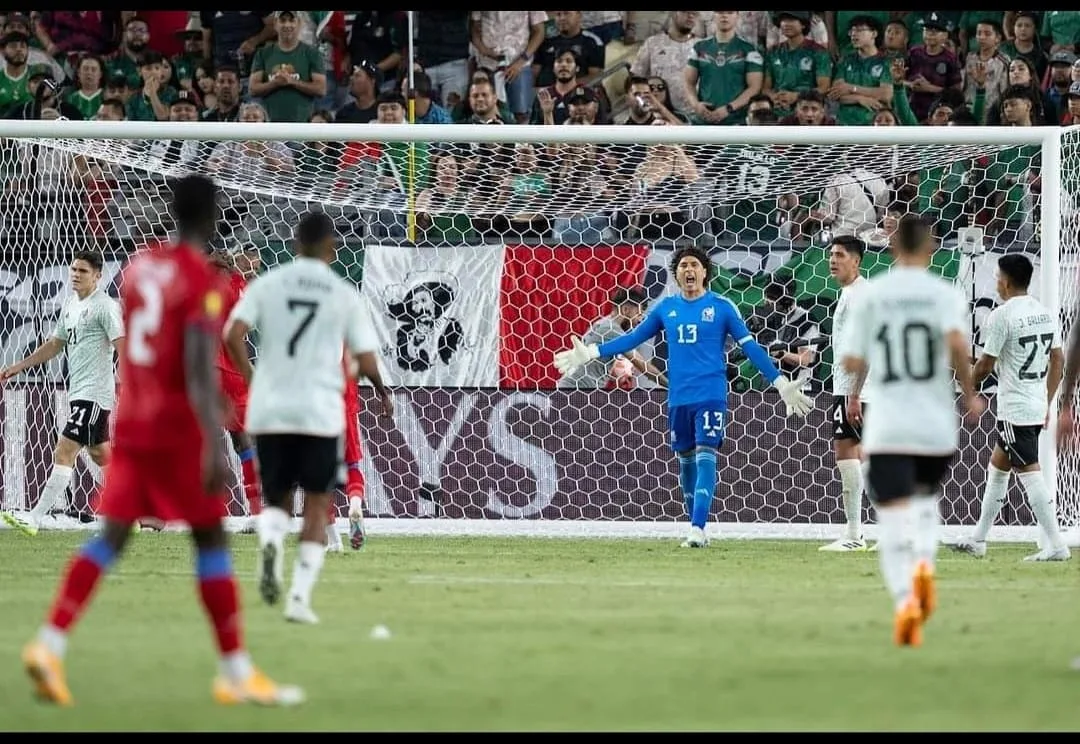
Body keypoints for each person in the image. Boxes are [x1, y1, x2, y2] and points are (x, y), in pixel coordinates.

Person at [20, 174, 303, 707]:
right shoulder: (201, 279)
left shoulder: (138, 268)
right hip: (175, 428)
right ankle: (236, 671)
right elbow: (199, 359)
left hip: (132, 419)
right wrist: (211, 435)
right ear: (212, 216)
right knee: (211, 541)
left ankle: (49, 643)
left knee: (111, 538)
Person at [553, 246, 813, 548]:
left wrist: (781, 383)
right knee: (686, 460)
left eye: (694, 265)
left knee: (706, 454)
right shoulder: (666, 309)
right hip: (678, 396)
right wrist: (593, 352)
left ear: (705, 271)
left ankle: (698, 527)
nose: (689, 270)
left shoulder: (723, 306)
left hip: (711, 394)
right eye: (683, 265)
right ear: (676, 274)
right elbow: (633, 340)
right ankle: (695, 527)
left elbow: (751, 348)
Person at [223, 211, 393, 624]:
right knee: (317, 502)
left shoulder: (267, 284)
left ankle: (270, 555)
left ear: (295, 245)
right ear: (331, 248)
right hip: (318, 407)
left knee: (278, 498)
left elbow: (232, 334)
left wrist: (251, 377)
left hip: (276, 404)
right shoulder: (340, 293)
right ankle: (298, 597)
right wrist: (382, 390)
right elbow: (365, 354)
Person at [839, 214, 983, 647]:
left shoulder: (873, 295)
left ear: (892, 246)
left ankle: (906, 601)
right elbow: (959, 348)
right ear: (931, 247)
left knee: (893, 512)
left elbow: (851, 360)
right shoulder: (945, 294)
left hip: (889, 419)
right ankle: (925, 564)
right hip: (934, 422)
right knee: (924, 500)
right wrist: (969, 391)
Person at [952, 254, 1070, 561]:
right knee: (998, 468)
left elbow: (986, 366)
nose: (996, 282)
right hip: (1035, 402)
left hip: (1015, 407)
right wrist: (1047, 399)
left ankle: (1056, 544)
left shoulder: (1002, 316)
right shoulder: (1044, 313)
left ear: (1004, 281)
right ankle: (978, 539)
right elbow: (1058, 359)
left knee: (1030, 472)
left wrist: (966, 378)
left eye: (996, 277)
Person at [1, 250, 124, 535]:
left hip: (94, 394)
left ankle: (35, 518)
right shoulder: (71, 305)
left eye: (83, 271)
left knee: (64, 450)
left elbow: (122, 345)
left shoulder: (105, 307)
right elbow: (55, 343)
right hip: (78, 391)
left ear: (97, 276)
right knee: (100, 454)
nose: (75, 275)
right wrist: (19, 366)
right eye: (73, 270)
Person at [821, 236, 871, 552]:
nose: (832, 260)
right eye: (830, 254)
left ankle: (853, 534)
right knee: (866, 459)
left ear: (856, 260)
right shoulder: (853, 293)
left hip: (855, 389)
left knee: (845, 453)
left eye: (839, 255)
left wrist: (853, 394)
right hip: (860, 388)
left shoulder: (858, 296)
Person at [209, 246, 263, 532]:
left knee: (238, 440)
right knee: (241, 441)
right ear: (238, 258)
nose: (255, 263)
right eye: (250, 257)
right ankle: (256, 512)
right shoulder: (237, 286)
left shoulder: (233, 285)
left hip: (223, 371)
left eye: (257, 258)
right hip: (227, 371)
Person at [556, 286, 668, 390]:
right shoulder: (612, 330)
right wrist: (670, 386)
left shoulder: (602, 323)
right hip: (578, 390)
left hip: (573, 388)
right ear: (625, 310)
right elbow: (645, 367)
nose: (639, 320)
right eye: (638, 314)